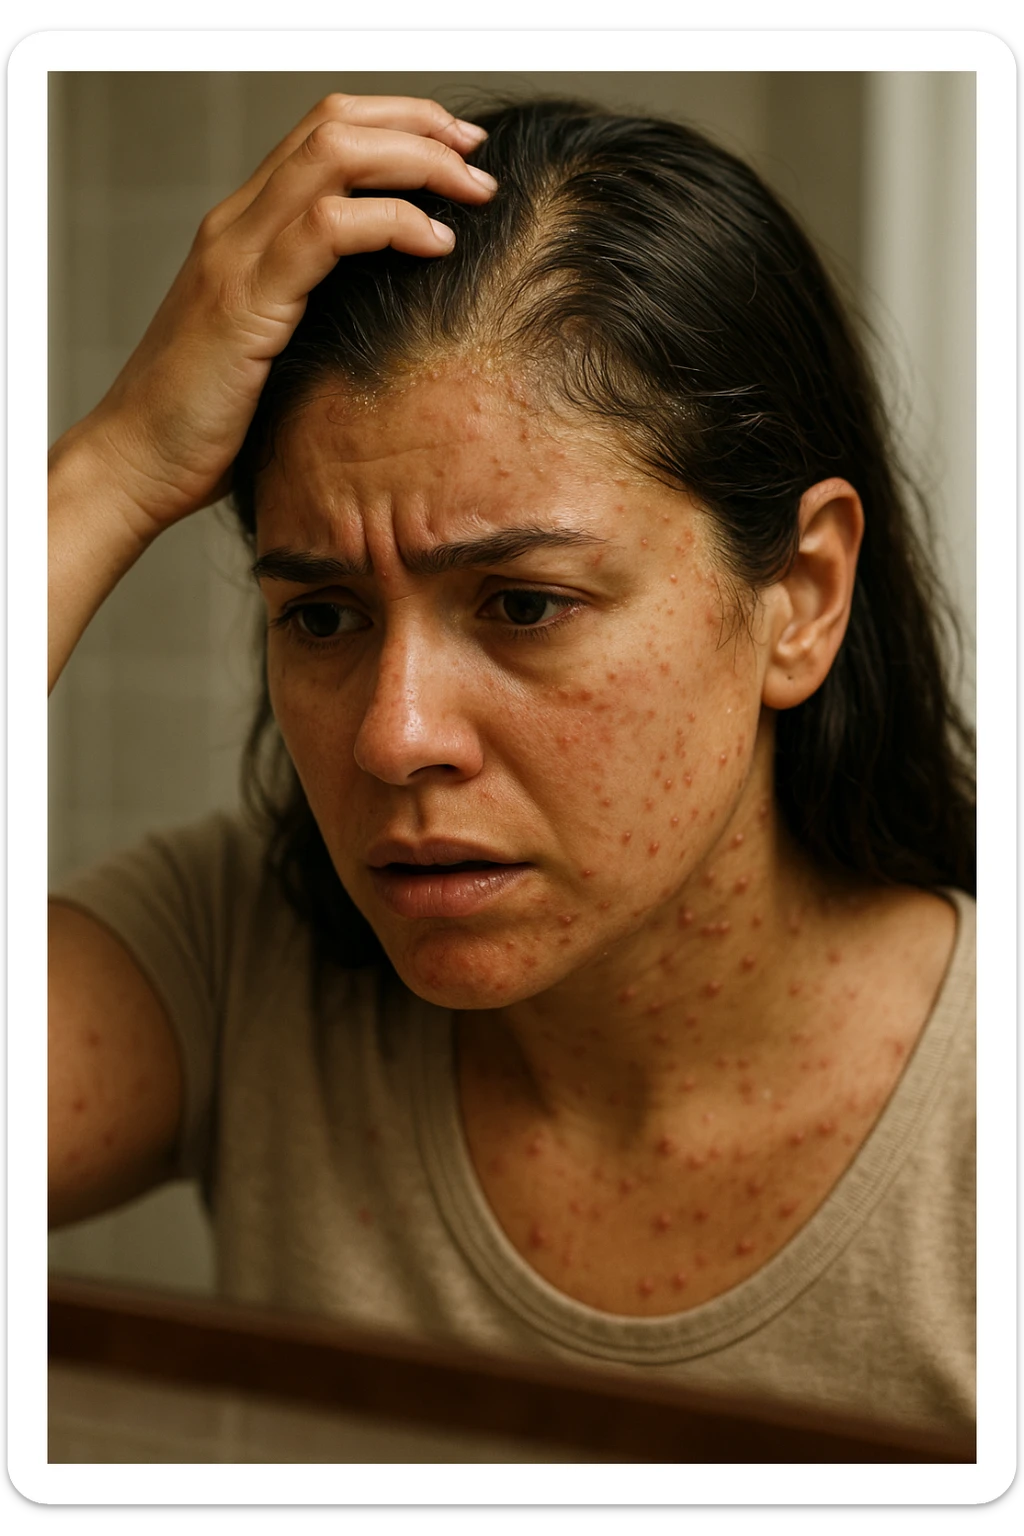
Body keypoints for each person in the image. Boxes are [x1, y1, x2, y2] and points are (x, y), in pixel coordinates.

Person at [47, 93, 976, 1438]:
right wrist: (109, 471)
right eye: (322, 617)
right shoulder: (236, 963)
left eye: (523, 603)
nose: (393, 733)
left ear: (804, 596)